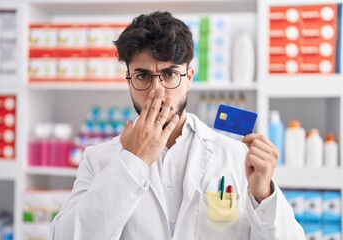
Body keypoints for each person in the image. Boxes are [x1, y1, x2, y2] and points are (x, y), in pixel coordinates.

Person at [51, 11, 305, 240]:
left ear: (189, 78)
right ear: (128, 79)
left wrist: (263, 195)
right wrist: (132, 162)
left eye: (170, 74)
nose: (157, 91)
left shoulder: (236, 155)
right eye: (142, 76)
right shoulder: (98, 159)